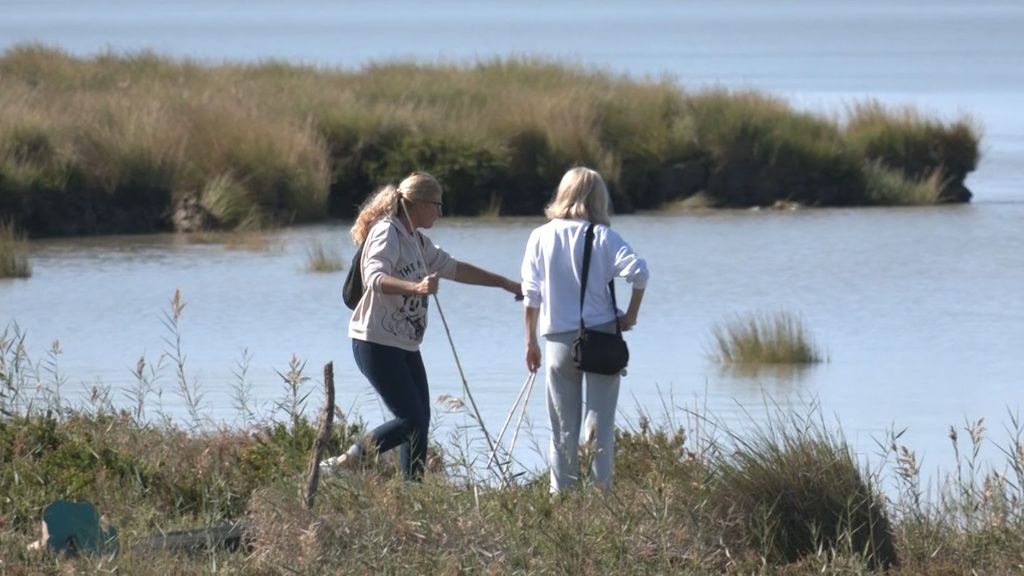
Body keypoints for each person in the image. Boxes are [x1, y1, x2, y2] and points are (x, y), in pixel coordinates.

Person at [321, 172, 522, 480]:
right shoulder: (387, 233)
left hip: (405, 345)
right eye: (436, 205)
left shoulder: (416, 240)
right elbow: (375, 278)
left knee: (420, 423)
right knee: (410, 420)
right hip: (375, 342)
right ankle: (347, 461)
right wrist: (414, 288)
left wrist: (506, 283)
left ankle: (412, 491)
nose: (440, 213)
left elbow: (455, 268)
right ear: (416, 205)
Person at [520, 167, 649, 493]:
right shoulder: (603, 236)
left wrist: (530, 342)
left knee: (562, 428)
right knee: (599, 426)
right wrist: (630, 315)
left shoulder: (540, 235)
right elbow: (639, 273)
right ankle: (599, 500)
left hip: (557, 340)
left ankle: (561, 499)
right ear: (598, 198)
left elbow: (531, 294)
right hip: (601, 338)